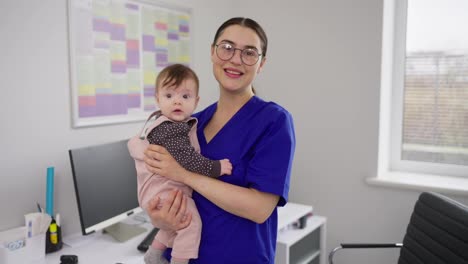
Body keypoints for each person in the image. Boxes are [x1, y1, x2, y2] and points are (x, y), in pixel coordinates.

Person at [143, 17, 296, 264]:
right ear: (213, 53)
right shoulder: (191, 123)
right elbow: (167, 188)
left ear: (261, 64)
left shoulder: (273, 121)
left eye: (249, 53)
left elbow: (259, 209)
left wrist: (185, 174)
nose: (235, 59)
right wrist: (159, 218)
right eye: (227, 47)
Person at [128, 63, 233, 264]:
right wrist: (217, 167)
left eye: (185, 97)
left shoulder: (167, 124)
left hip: (159, 191)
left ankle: (154, 253)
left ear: (196, 101)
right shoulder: (170, 129)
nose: (177, 102)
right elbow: (188, 160)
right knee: (190, 225)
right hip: (164, 190)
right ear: (157, 99)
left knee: (176, 224)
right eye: (169, 96)